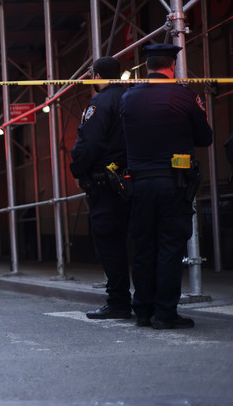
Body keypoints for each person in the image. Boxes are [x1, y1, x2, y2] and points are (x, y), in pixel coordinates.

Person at [120, 43, 213, 329]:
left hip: (140, 184)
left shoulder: (128, 98)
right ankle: (165, 313)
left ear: (147, 67)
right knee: (170, 248)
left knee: (144, 247)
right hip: (174, 183)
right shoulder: (184, 95)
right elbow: (205, 137)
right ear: (171, 66)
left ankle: (143, 311)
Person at [69, 56, 132, 320]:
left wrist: (77, 170)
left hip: (105, 184)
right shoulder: (132, 97)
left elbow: (89, 145)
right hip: (134, 179)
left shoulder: (99, 103)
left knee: (110, 243)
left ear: (96, 76)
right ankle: (147, 300)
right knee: (140, 242)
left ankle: (118, 302)